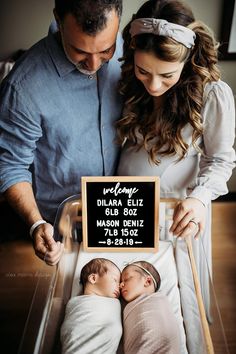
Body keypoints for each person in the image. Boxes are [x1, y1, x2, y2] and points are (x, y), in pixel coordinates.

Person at [116, 0, 235, 315]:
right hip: (125, 206)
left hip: (178, 211)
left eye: (167, 75)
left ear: (188, 60)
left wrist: (199, 199)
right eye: (144, 71)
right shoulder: (129, 82)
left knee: (172, 301)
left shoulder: (212, 95)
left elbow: (221, 160)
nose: (154, 85)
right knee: (124, 288)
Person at [0, 0, 123, 264]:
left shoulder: (130, 49)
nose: (93, 64)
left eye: (106, 50)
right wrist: (35, 223)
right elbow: (10, 165)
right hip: (63, 224)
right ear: (58, 20)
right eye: (79, 51)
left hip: (123, 213)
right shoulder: (22, 88)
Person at [60, 257, 122, 353]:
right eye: (115, 280)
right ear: (93, 278)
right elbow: (71, 328)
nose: (119, 286)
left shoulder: (114, 303)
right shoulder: (74, 303)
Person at [120, 261, 181, 354]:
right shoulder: (126, 306)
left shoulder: (159, 301)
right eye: (121, 282)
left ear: (147, 281)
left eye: (127, 279)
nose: (121, 285)